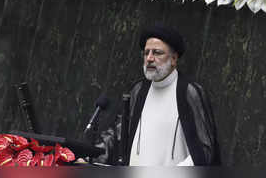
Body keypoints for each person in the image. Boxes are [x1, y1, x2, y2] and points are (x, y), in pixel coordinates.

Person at [94, 24, 220, 166]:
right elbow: (119, 133)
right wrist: (89, 156)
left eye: (157, 53)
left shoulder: (190, 92)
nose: (149, 58)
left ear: (173, 59)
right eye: (146, 53)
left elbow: (205, 150)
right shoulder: (138, 90)